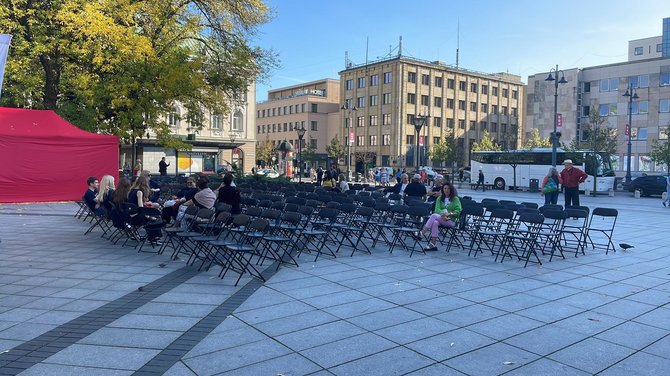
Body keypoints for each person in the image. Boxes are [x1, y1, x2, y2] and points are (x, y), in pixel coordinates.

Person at [421, 182, 462, 251]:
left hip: (451, 220)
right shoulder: (440, 198)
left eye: (448, 188)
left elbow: (458, 211)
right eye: (445, 188)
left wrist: (449, 214)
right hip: (441, 218)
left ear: (451, 190)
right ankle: (433, 244)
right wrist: (443, 214)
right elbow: (437, 209)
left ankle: (422, 233)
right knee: (435, 223)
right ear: (442, 189)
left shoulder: (455, 199)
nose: (446, 190)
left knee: (433, 216)